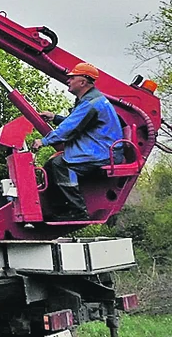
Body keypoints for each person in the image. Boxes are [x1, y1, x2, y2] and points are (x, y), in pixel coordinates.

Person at [31, 62, 124, 221]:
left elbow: (70, 128)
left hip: (104, 152)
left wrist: (44, 141)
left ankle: (77, 210)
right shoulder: (90, 100)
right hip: (100, 148)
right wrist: (55, 118)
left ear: (83, 82)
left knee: (61, 165)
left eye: (72, 77)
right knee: (51, 165)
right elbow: (76, 121)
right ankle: (58, 209)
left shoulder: (91, 103)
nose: (68, 80)